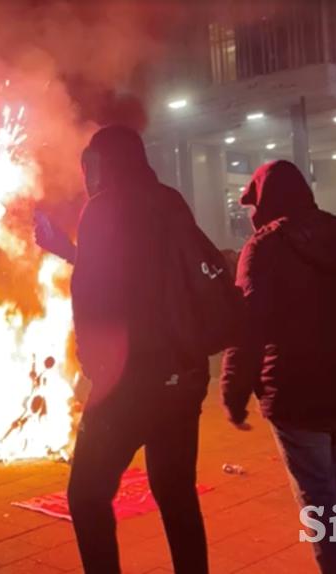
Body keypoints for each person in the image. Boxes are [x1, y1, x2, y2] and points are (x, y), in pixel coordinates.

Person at [67, 126, 218, 574]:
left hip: (129, 379)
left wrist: (91, 362)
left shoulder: (103, 208)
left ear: (105, 163)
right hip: (183, 376)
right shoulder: (169, 201)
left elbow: (89, 291)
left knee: (87, 493)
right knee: (175, 491)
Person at [222, 161, 336, 574]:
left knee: (319, 499)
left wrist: (234, 392)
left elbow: (247, 328)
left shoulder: (261, 248)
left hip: (294, 393)